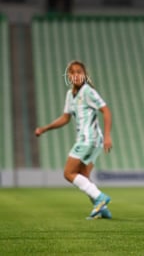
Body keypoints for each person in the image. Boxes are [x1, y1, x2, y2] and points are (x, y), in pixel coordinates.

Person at [35, 60, 112, 219]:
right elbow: (65, 118)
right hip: (91, 140)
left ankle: (100, 198)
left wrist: (108, 136)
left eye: (79, 72)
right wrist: (45, 128)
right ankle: (102, 209)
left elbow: (106, 110)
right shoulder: (71, 95)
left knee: (68, 172)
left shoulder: (87, 91)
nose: (76, 75)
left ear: (84, 75)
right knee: (83, 176)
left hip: (88, 139)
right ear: (68, 76)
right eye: (73, 72)